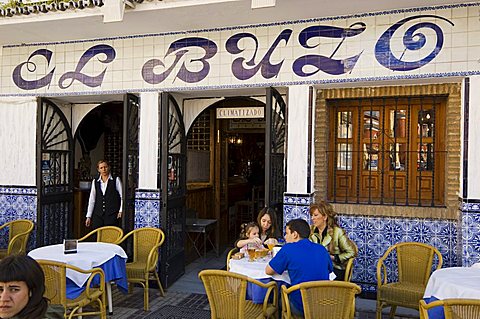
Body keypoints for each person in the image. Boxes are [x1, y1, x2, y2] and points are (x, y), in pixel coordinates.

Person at [266, 218, 333, 316]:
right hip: (324, 304)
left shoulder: (288, 249)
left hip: (301, 306)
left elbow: (268, 270)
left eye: (287, 233)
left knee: (278, 299)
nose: (285, 237)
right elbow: (330, 270)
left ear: (295, 234)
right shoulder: (321, 249)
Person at [309, 201, 358, 281]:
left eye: (315, 215)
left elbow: (352, 252)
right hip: (315, 267)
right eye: (311, 215)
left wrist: (334, 257)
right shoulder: (311, 231)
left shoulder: (337, 232)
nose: (312, 218)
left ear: (325, 217)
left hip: (334, 268)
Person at [85, 160, 123, 229]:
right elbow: (92, 199)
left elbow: (122, 196)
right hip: (98, 215)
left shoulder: (116, 180)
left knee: (110, 235)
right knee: (98, 235)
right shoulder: (95, 181)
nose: (104, 169)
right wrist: (89, 216)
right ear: (98, 169)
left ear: (109, 167)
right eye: (101, 168)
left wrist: (121, 210)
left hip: (112, 214)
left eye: (105, 167)